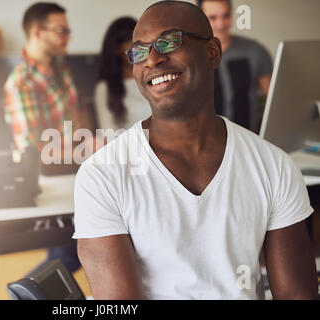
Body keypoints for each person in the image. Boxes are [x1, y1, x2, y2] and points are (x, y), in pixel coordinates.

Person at [73, 1, 318, 299]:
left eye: (168, 41)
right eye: (140, 51)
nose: (152, 59)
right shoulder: (102, 175)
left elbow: (297, 294)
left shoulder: (273, 166)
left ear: (212, 52)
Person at [3, 2, 85, 274]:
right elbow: (35, 149)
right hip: (50, 182)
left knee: (75, 254)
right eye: (61, 30)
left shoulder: (61, 67)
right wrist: (87, 147)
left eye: (68, 30)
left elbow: (76, 116)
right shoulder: (21, 83)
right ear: (37, 32)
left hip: (76, 173)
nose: (68, 37)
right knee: (69, 255)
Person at [198, 0, 273, 134]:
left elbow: (273, 101)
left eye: (226, 16)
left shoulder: (255, 51)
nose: (221, 24)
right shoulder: (191, 55)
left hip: (248, 139)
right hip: (204, 140)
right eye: (213, 17)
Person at [94, 17, 151, 131]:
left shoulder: (153, 79)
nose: (137, 49)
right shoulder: (105, 89)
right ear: (116, 48)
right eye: (130, 42)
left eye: (140, 43)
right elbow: (108, 134)